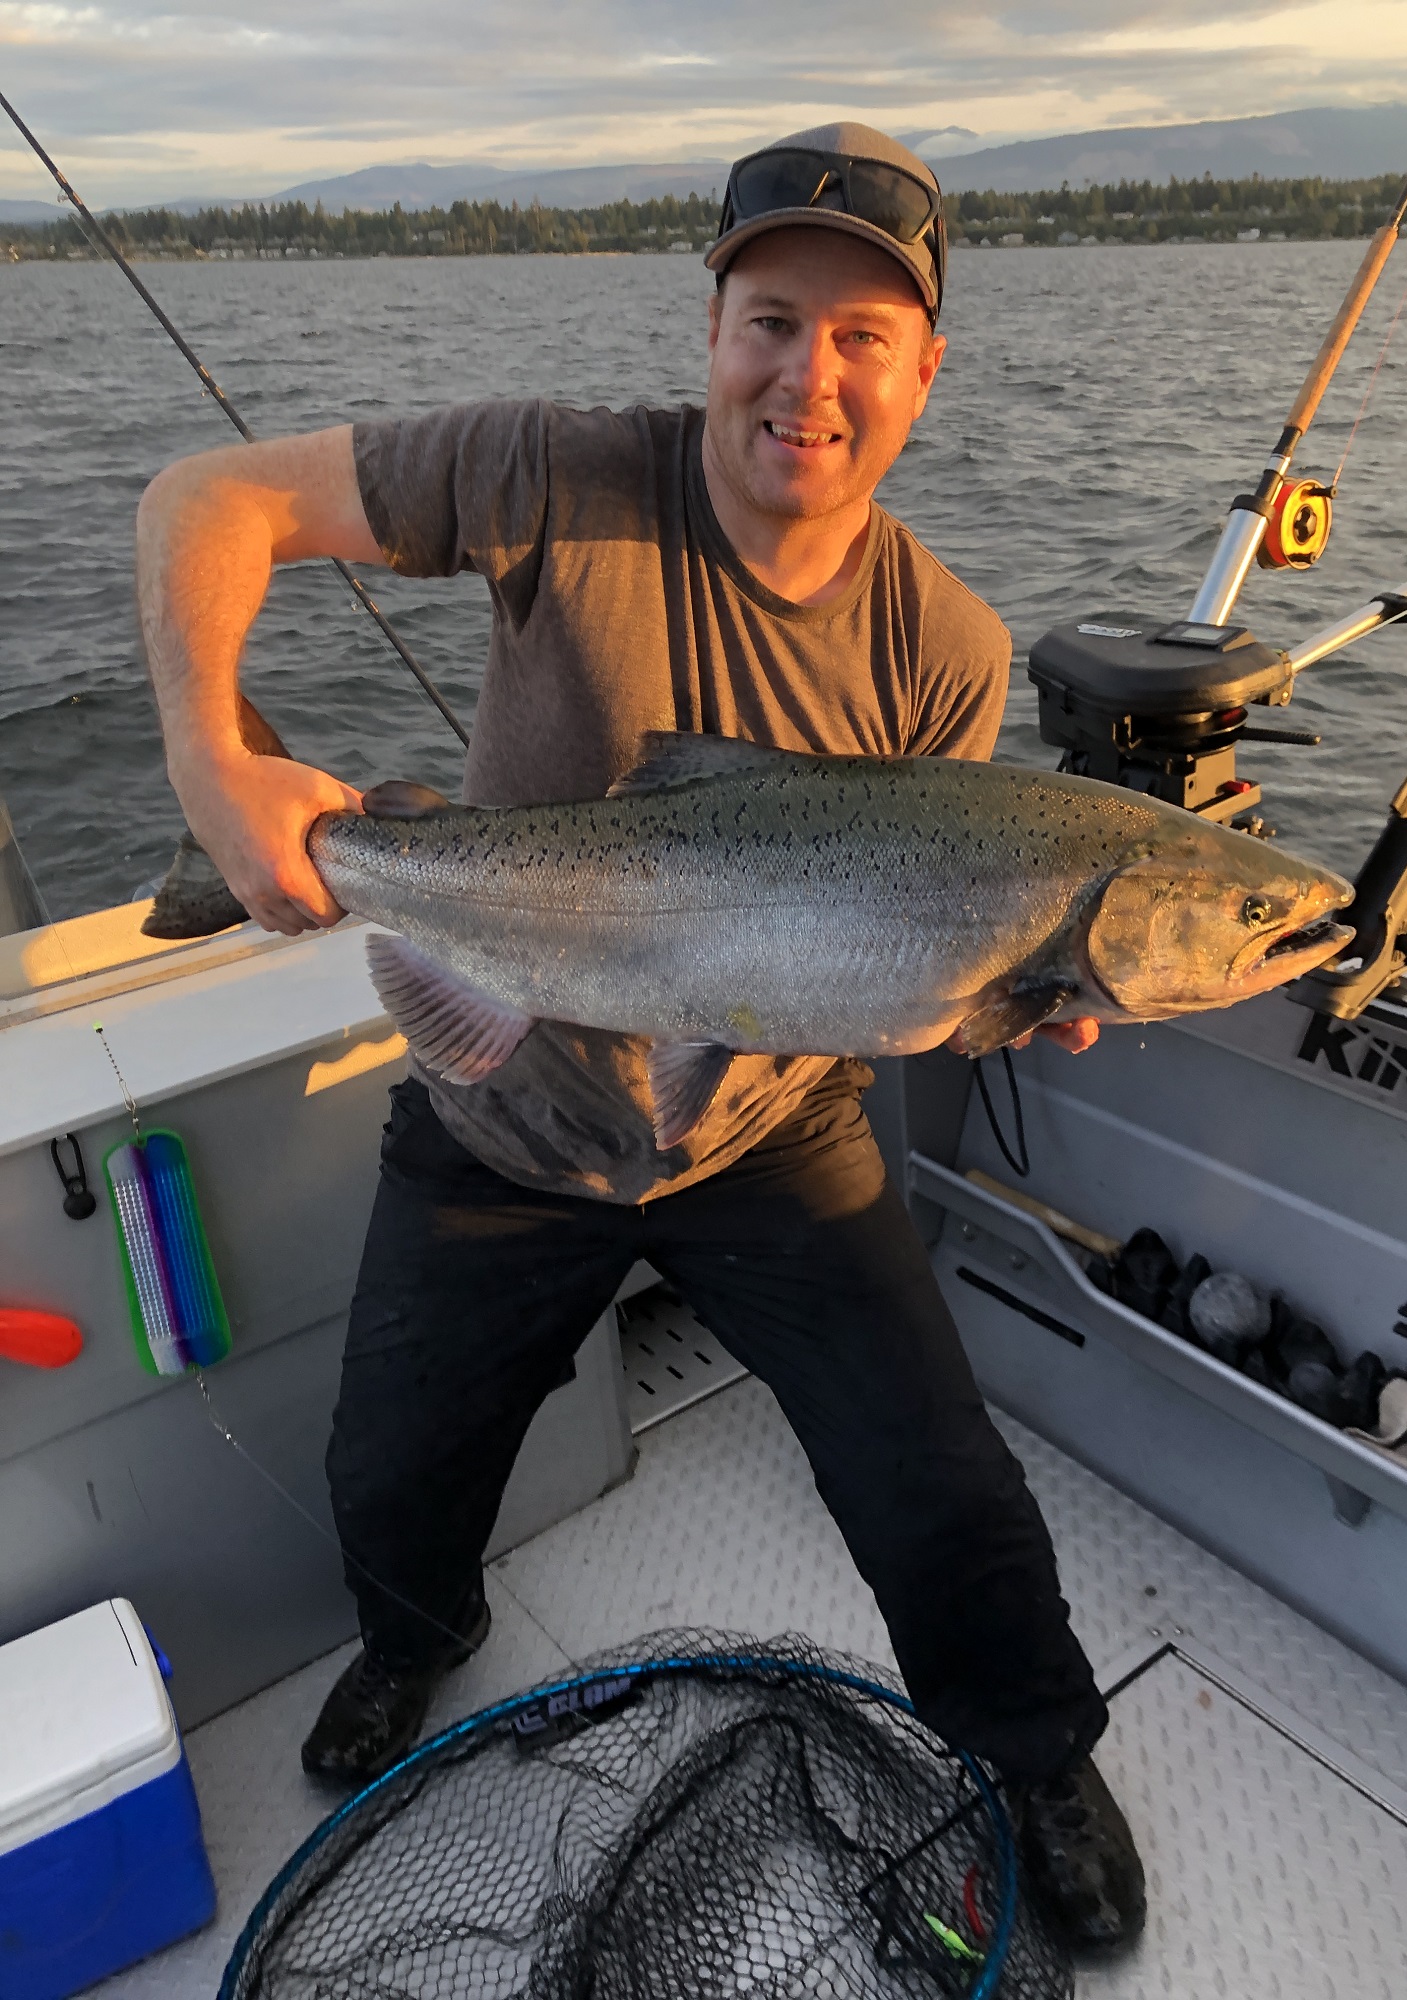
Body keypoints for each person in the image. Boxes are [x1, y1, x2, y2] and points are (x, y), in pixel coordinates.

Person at [136, 123, 1145, 1951]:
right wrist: (225, 770)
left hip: (767, 1121)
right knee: (397, 1464)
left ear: (925, 367)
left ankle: (1038, 1749)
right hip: (510, 1104)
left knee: (938, 1475)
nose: (807, 376)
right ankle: (411, 1646)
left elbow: (898, 918)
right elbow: (205, 499)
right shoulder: (559, 474)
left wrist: (1019, 982)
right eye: (772, 320)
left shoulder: (949, 645)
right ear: (712, 329)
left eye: (861, 338)